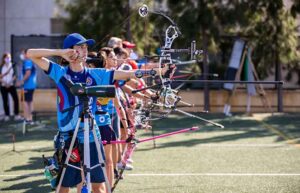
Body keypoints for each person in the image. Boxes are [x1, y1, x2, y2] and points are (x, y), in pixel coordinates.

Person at [27, 33, 170, 193]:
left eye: (85, 46)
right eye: (80, 46)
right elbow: (30, 53)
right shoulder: (60, 72)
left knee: (98, 186)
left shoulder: (96, 74)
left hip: (90, 133)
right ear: (70, 51)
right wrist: (60, 53)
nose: (85, 50)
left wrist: (155, 72)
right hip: (68, 135)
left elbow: (127, 75)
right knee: (63, 187)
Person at [0, 53, 21, 121]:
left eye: (9, 58)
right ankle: (7, 115)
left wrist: (9, 83)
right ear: (4, 59)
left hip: (11, 85)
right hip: (3, 86)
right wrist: (5, 83)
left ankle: (16, 114)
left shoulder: (12, 66)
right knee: (5, 101)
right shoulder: (1, 66)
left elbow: (15, 76)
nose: (8, 59)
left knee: (16, 99)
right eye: (6, 58)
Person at [18, 49, 37, 123]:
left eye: (23, 53)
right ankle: (29, 118)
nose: (22, 55)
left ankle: (27, 118)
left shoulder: (28, 62)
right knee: (29, 101)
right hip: (29, 85)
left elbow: (28, 73)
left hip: (27, 86)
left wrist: (21, 81)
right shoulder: (30, 61)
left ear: (27, 54)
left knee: (25, 101)